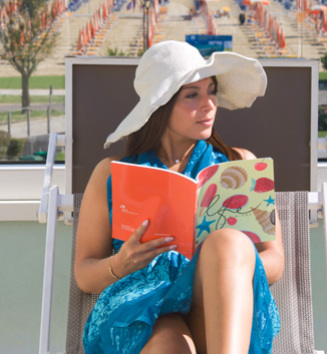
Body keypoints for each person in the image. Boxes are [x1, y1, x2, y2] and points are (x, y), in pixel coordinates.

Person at [75, 40, 285, 354]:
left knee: (227, 243)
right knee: (169, 347)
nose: (209, 104)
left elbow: (275, 260)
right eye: (192, 95)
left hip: (215, 304)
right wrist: (120, 263)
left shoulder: (238, 166)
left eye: (212, 91)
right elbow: (84, 273)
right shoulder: (111, 174)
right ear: (161, 105)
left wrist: (224, 264)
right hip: (143, 310)